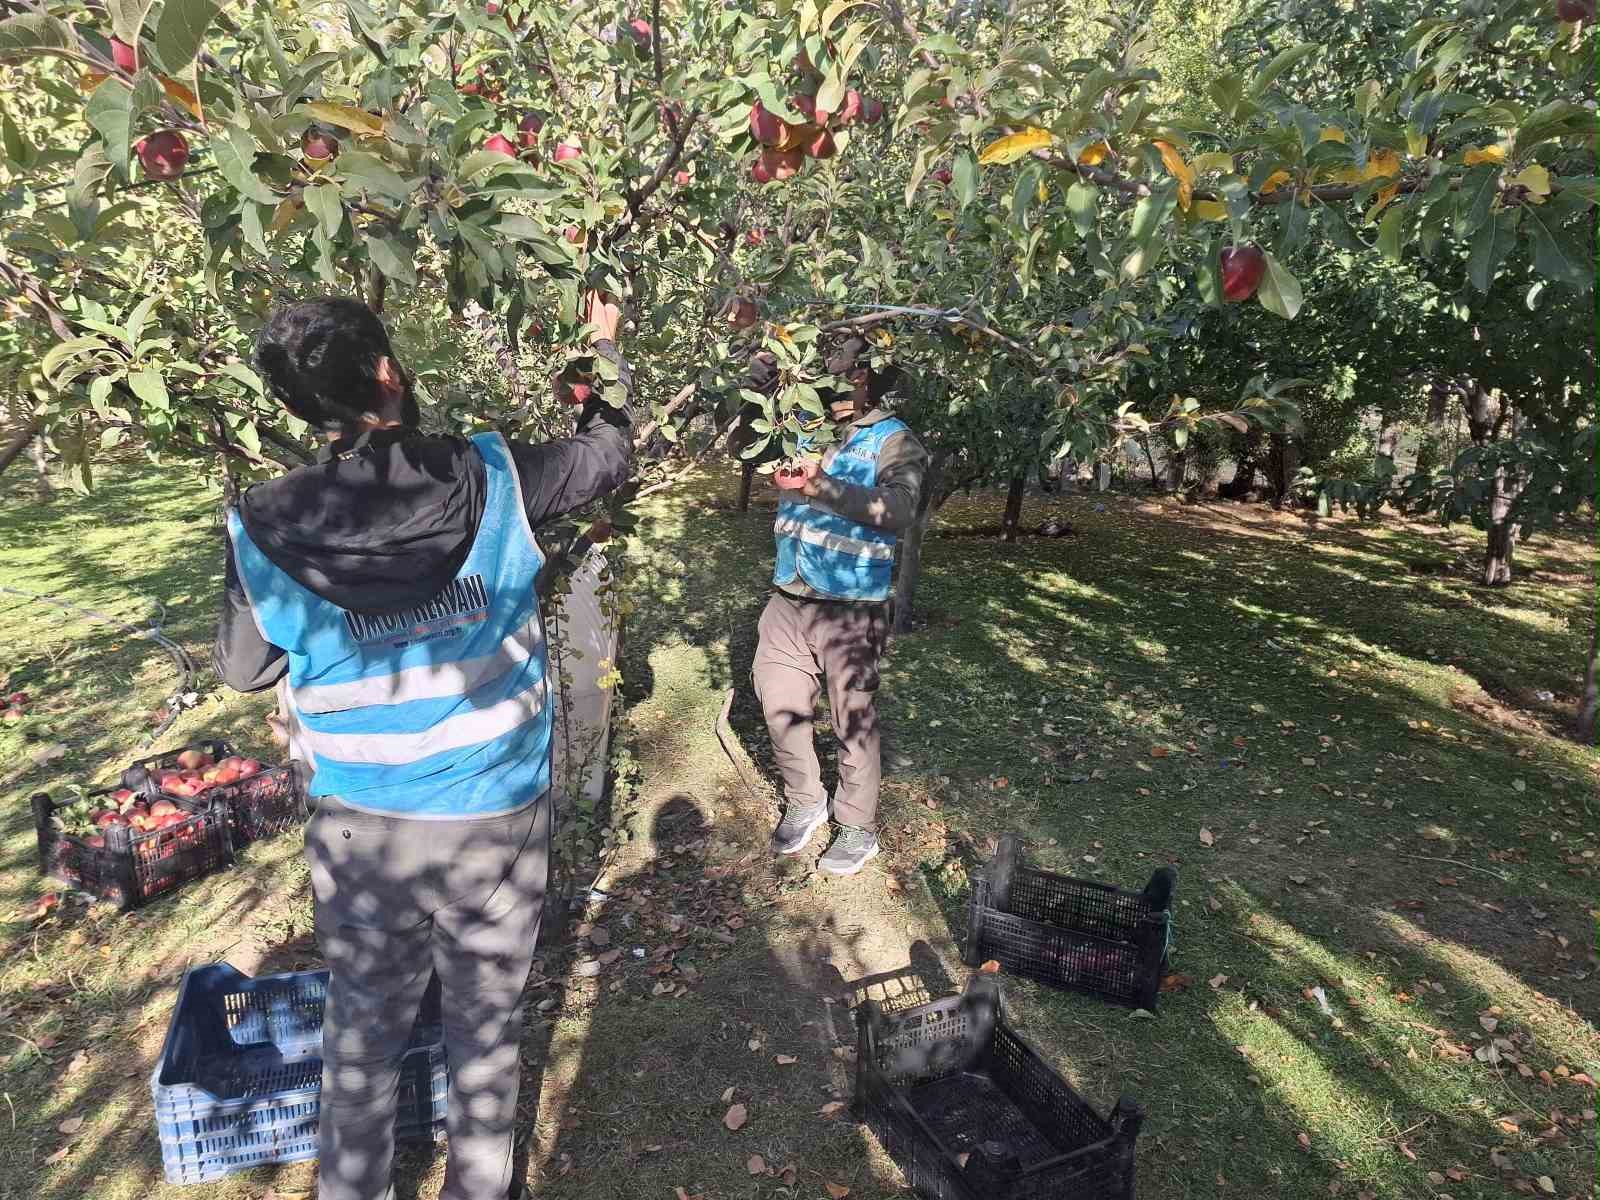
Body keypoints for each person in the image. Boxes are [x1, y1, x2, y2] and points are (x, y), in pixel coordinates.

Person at [213, 291, 631, 1200]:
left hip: (366, 830)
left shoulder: (264, 524)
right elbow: (606, 457)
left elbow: (246, 671)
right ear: (389, 373)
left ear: (297, 406)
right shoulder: (497, 475)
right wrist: (601, 359)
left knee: (362, 1037)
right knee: (487, 1030)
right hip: (496, 818)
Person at [752, 336, 929, 876]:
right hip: (789, 595)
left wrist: (823, 487)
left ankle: (857, 826)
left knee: (852, 717)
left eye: (845, 369)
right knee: (777, 702)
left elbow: (899, 508)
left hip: (851, 606)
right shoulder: (800, 421)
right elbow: (750, 445)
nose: (832, 376)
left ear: (868, 376)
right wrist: (754, 389)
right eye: (827, 366)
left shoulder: (893, 440)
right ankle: (806, 801)